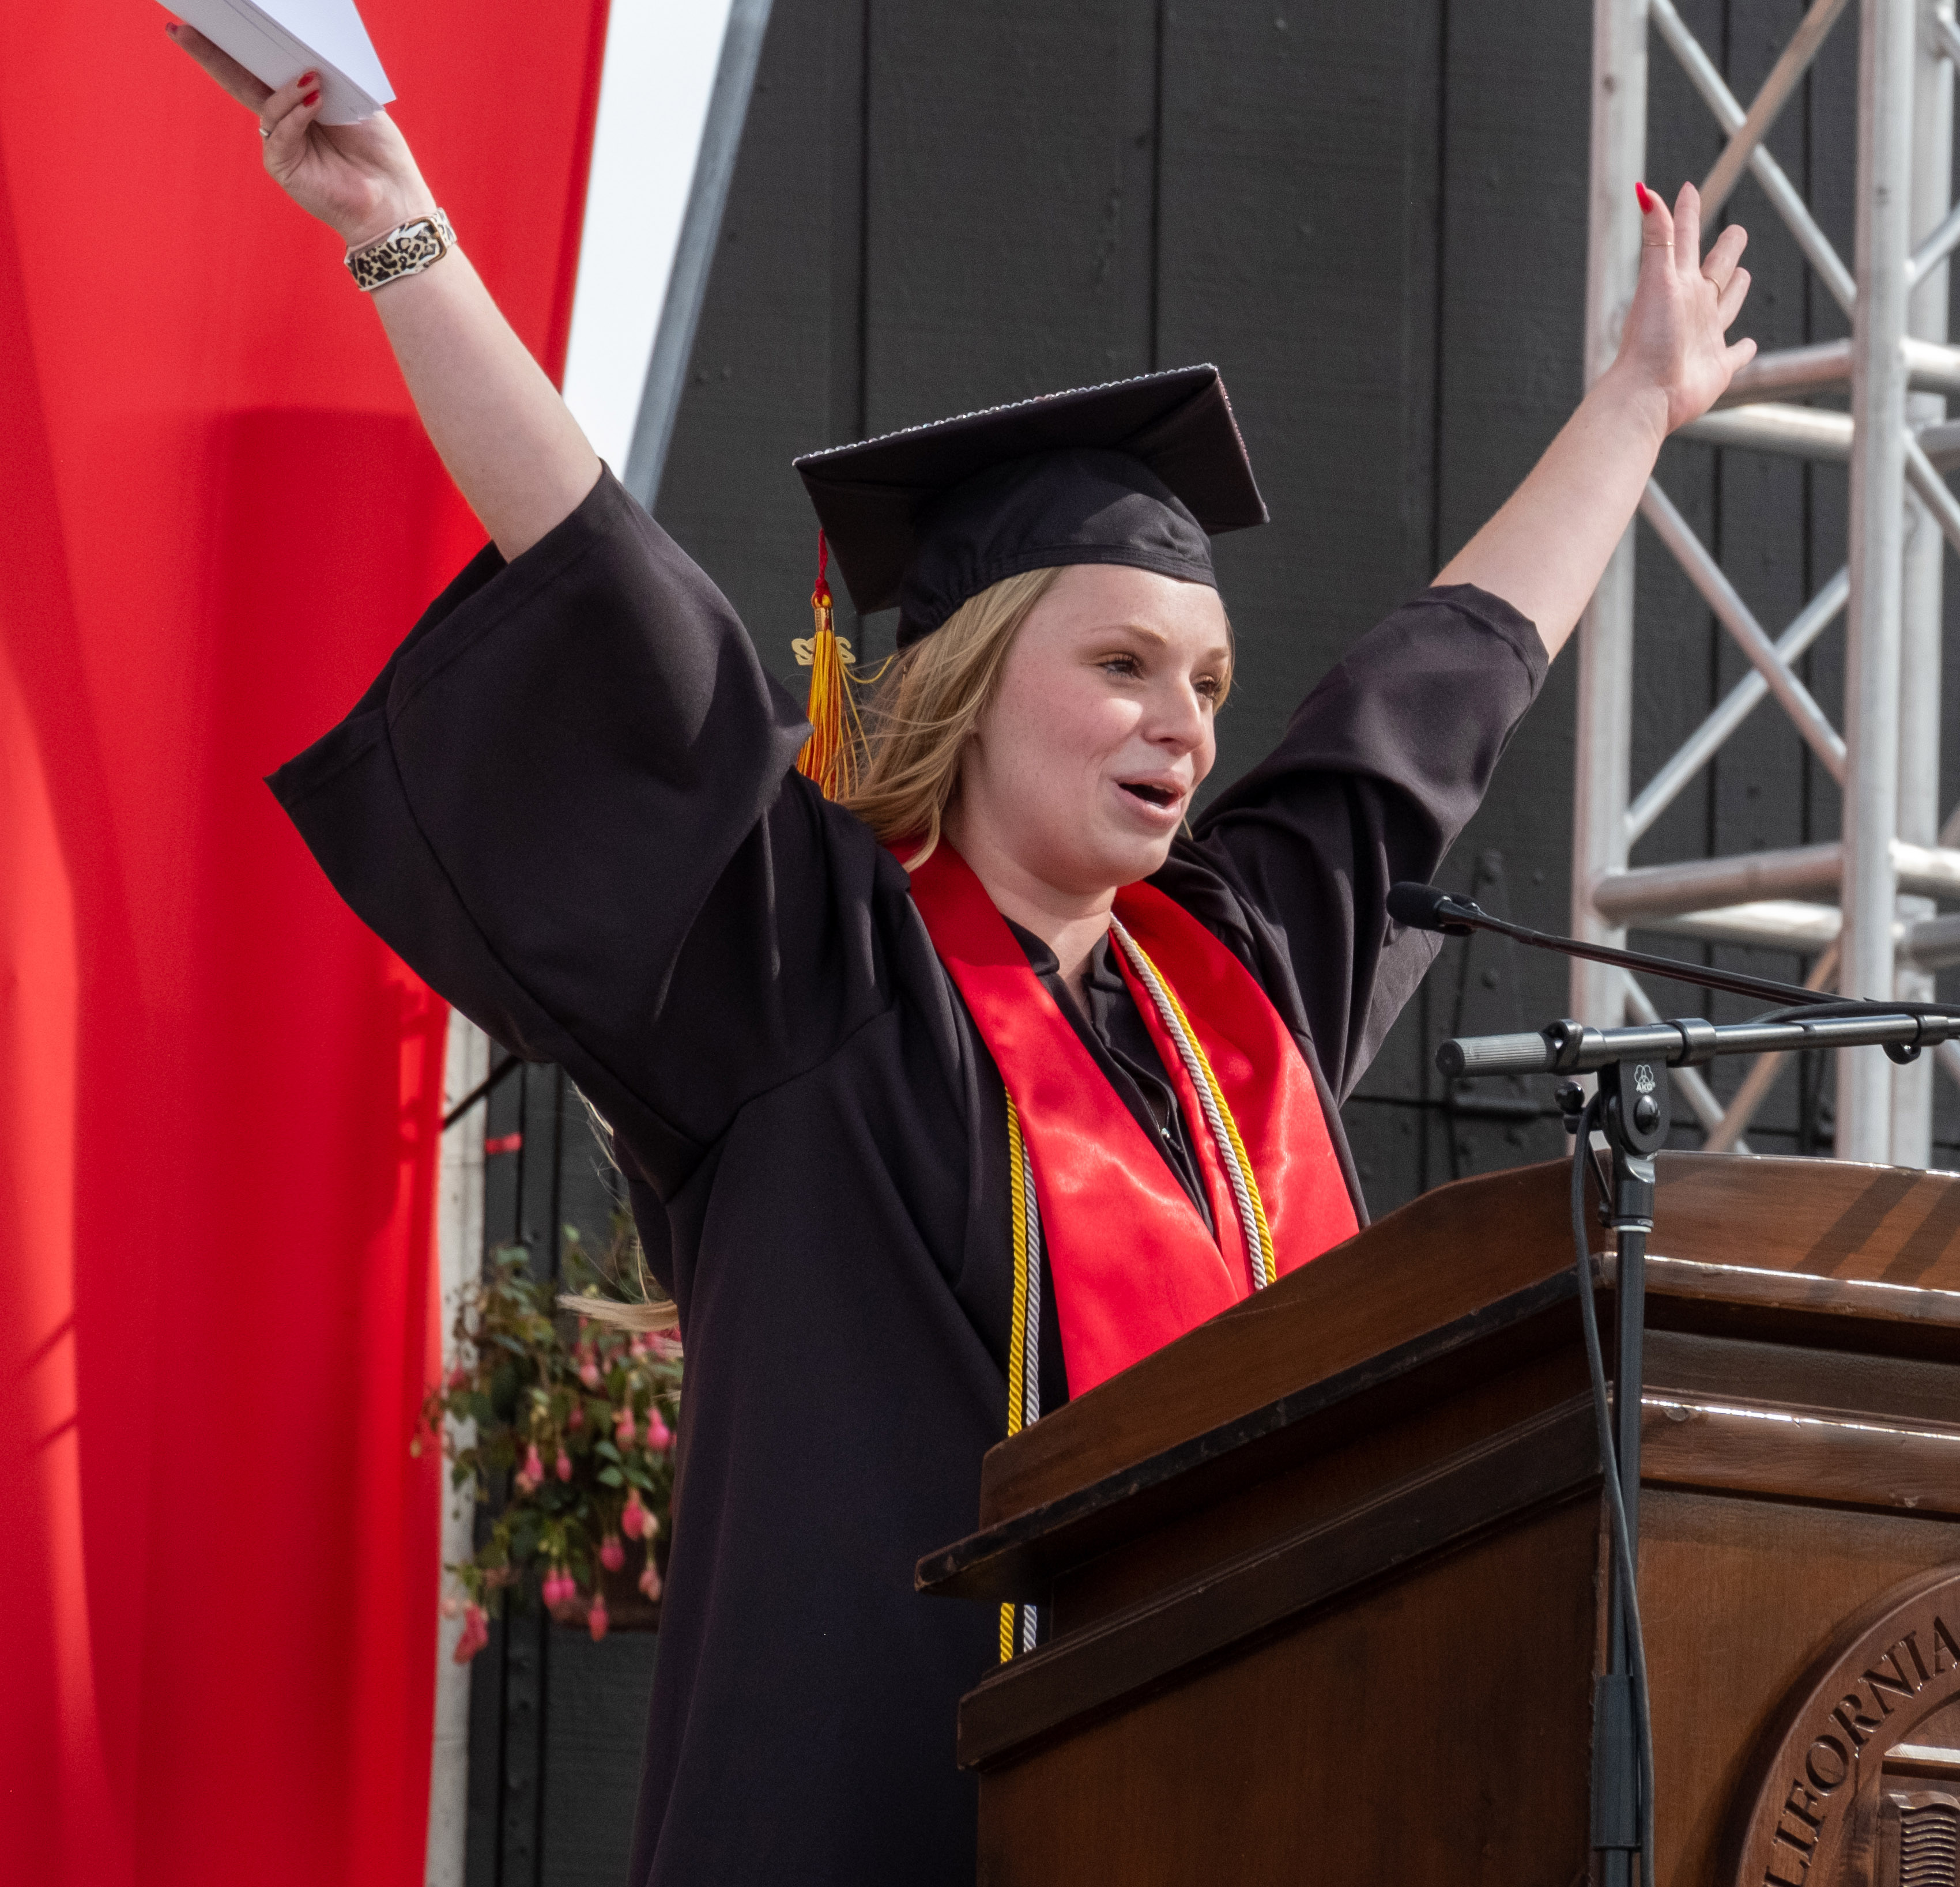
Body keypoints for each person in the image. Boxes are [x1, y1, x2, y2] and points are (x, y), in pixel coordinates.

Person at [167, 25, 1755, 1885]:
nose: (1185, 721)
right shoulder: (802, 967)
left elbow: (1441, 693)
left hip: (1253, 1799)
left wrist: (1638, 402)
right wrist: (401, 229)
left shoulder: (1234, 986)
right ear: (980, 679)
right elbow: (605, 572)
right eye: (1124, 665)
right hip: (877, 1822)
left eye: (1210, 684)